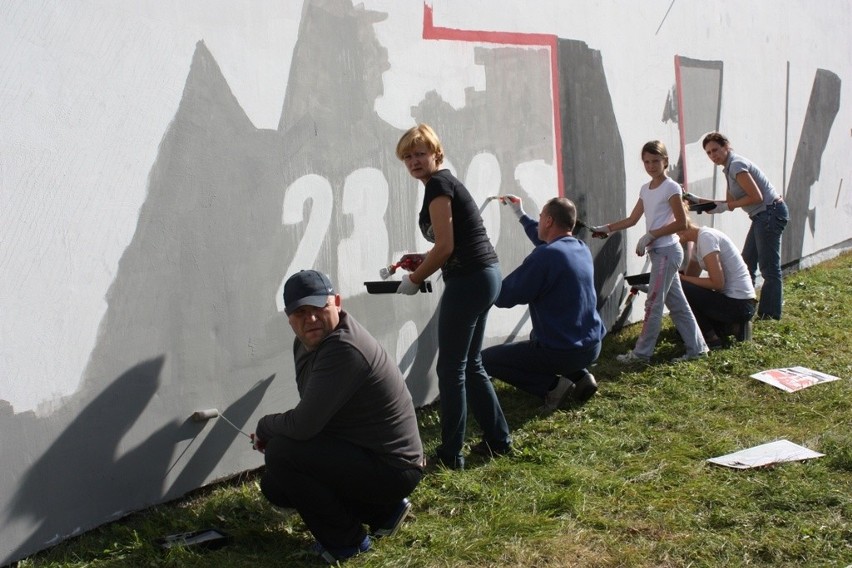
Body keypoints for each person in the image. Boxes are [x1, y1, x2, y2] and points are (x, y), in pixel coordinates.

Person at [252, 270, 424, 564]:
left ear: (337, 303)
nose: (312, 319)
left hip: (393, 467)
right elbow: (314, 413)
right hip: (367, 453)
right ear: (289, 317)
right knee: (276, 485)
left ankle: (347, 542)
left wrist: (265, 427)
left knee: (282, 452)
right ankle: (384, 512)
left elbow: (304, 425)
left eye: (319, 308)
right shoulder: (307, 343)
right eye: (301, 312)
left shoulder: (344, 348)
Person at [394, 123, 511, 469]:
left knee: (451, 368)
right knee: (470, 364)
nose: (414, 160)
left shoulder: (439, 185)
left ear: (436, 155)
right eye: (408, 156)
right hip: (485, 275)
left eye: (420, 153)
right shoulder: (440, 185)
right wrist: (421, 262)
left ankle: (450, 455)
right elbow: (448, 243)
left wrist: (415, 278)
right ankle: (498, 440)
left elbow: (445, 246)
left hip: (470, 279)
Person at [482, 195, 606, 414]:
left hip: (563, 352)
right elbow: (547, 242)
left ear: (548, 221)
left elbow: (505, 297)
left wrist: (479, 281)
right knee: (536, 337)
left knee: (485, 360)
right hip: (592, 346)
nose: (538, 223)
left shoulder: (545, 257)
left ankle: (552, 388)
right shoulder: (579, 248)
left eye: (540, 219)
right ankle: (581, 376)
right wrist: (520, 214)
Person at [590, 140, 708, 363]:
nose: (651, 166)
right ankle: (698, 349)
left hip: (667, 252)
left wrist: (651, 235)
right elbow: (632, 219)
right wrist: (606, 229)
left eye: (656, 161)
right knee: (678, 304)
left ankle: (642, 354)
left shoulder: (671, 187)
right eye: (646, 161)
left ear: (665, 161)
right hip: (659, 254)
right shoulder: (646, 189)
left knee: (653, 303)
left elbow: (682, 223)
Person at [695, 131, 789, 320]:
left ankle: (770, 315)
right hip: (761, 216)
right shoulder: (728, 169)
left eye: (716, 150)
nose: (713, 155)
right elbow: (729, 202)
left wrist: (726, 206)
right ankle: (744, 306)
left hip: (770, 212)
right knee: (747, 262)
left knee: (768, 267)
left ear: (726, 146)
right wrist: (697, 200)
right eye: (709, 153)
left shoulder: (736, 165)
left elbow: (756, 197)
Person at [676, 200, 757, 349]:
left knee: (680, 286)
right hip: (737, 302)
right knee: (681, 291)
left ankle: (711, 339)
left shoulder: (707, 238)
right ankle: (731, 327)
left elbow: (717, 283)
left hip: (739, 303)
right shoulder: (698, 242)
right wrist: (680, 275)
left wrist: (681, 279)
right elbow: (691, 279)